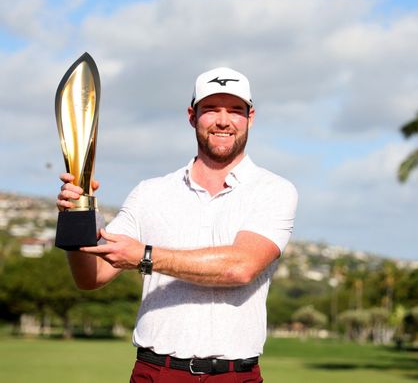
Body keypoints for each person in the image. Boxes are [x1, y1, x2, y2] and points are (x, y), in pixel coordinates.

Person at [56, 67, 298, 382]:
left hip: (235, 375)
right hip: (157, 371)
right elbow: (92, 276)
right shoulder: (150, 193)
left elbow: (241, 267)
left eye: (235, 110)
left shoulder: (274, 190)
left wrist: (145, 256)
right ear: (191, 115)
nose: (223, 120)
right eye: (211, 109)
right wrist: (78, 215)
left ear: (250, 117)